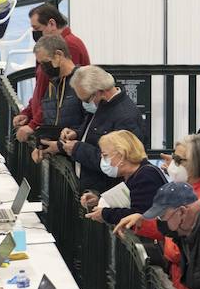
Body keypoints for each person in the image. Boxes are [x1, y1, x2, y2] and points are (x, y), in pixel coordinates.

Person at [117, 134, 200, 289]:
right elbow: (168, 225)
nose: (172, 164)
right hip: (181, 279)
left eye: (178, 159)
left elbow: (175, 251)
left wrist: (163, 232)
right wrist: (140, 221)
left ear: (198, 163)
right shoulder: (187, 188)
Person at [57, 64, 145, 194]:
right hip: (93, 191)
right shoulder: (102, 106)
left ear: (99, 92)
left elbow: (121, 162)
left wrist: (77, 149)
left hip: (107, 192)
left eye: (86, 99)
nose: (85, 104)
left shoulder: (125, 117)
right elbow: (94, 134)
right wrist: (77, 133)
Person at [13, 5, 89, 136]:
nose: (35, 33)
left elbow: (58, 97)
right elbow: (41, 89)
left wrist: (34, 124)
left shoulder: (70, 45)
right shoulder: (47, 46)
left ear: (52, 23)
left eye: (37, 28)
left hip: (58, 130)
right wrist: (28, 112)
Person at [80, 130, 167, 232]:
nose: (102, 160)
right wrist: (99, 201)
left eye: (105, 155)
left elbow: (138, 216)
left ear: (121, 155)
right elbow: (126, 202)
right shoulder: (130, 175)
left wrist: (105, 214)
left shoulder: (146, 176)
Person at [20, 35, 84, 160]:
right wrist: (42, 147)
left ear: (58, 55)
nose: (43, 67)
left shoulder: (82, 83)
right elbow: (50, 119)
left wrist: (60, 146)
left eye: (44, 62)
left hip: (77, 160)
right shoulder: (52, 85)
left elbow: (89, 126)